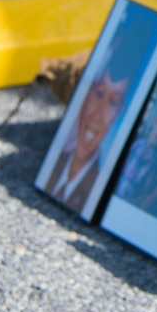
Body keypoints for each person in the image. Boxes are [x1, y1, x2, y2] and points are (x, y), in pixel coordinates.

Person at [42, 64, 128, 207]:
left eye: (112, 102)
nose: (97, 115)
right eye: (99, 93)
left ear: (119, 112)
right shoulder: (54, 165)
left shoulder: (97, 191)